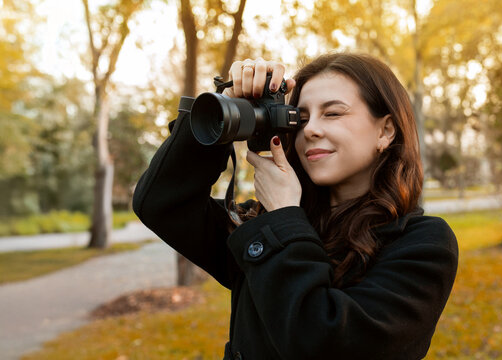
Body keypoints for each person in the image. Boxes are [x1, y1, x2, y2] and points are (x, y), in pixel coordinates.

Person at [133, 53, 459, 359]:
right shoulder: (261, 226)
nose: (311, 130)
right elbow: (162, 203)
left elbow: (321, 342)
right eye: (300, 118)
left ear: (385, 130)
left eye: (332, 113)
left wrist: (284, 217)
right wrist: (226, 111)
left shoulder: (423, 244)